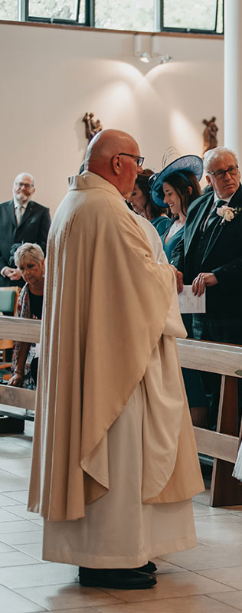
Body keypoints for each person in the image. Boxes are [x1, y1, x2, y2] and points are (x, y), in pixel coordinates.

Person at [28, 129, 203, 590]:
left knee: (116, 456)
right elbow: (141, 283)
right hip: (114, 361)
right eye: (137, 161)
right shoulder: (108, 211)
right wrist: (168, 275)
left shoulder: (72, 206)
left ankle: (118, 552)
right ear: (120, 162)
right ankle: (108, 556)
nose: (139, 173)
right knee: (118, 454)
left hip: (95, 352)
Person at [172, 147, 242, 427]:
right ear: (208, 179)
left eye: (232, 169)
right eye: (220, 172)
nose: (228, 176)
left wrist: (218, 275)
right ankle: (211, 441)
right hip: (198, 307)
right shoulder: (198, 206)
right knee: (205, 376)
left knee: (233, 379)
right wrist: (176, 267)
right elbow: (184, 244)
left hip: (231, 307)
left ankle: (233, 444)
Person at [150, 156, 208, 416]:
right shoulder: (171, 225)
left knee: (190, 372)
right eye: (164, 195)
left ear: (186, 191)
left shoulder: (196, 225)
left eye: (170, 193)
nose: (166, 201)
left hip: (189, 305)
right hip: (166, 304)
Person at [0, 173, 51, 287]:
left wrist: (23, 268)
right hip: (3, 279)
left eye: (27, 186)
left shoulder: (42, 212)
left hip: (30, 278)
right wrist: (3, 269)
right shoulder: (1, 210)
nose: (23, 188)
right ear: (13, 187)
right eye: (20, 184)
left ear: (33, 190)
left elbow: (45, 244)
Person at [8, 243, 45, 390]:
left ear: (42, 263)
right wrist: (18, 372)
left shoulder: (56, 286)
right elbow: (23, 336)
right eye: (22, 268)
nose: (26, 273)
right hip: (36, 345)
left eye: (31, 266)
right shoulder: (25, 294)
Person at [128, 169, 171, 235]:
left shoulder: (163, 225)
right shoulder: (139, 223)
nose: (129, 200)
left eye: (134, 194)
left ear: (148, 193)